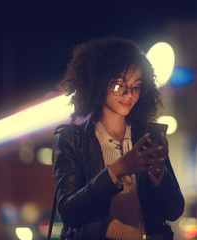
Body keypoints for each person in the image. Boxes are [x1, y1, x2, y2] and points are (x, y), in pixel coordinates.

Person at [52, 37, 185, 240]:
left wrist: (159, 172)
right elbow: (70, 212)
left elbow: (174, 211)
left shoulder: (148, 138)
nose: (128, 93)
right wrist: (118, 170)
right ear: (96, 84)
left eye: (136, 86)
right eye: (118, 85)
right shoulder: (71, 140)